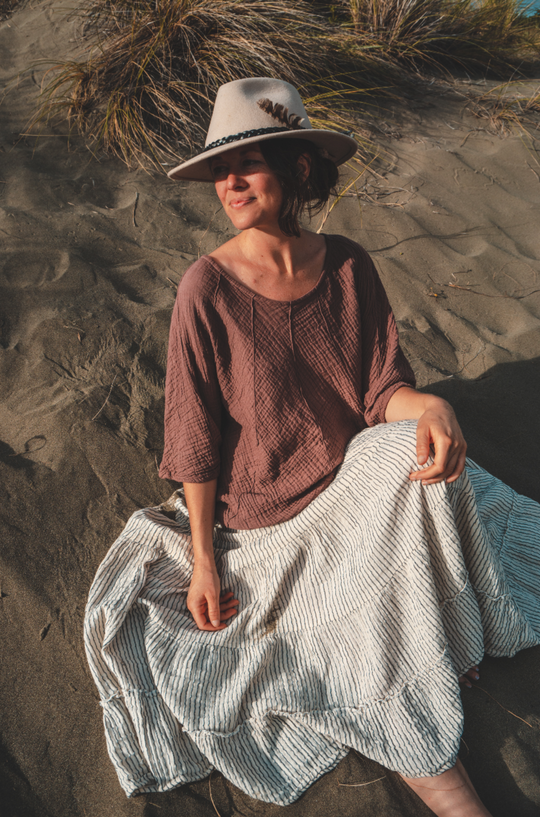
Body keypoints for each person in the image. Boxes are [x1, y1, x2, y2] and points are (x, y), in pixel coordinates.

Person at [84, 78, 540, 817]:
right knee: (362, 646)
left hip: (353, 486)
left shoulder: (350, 265)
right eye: (218, 170)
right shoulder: (207, 288)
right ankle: (448, 783)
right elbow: (193, 440)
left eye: (250, 163)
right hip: (267, 524)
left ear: (298, 168)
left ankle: (442, 633)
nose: (228, 183)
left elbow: (381, 389)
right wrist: (202, 558)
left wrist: (431, 403)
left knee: (413, 453)